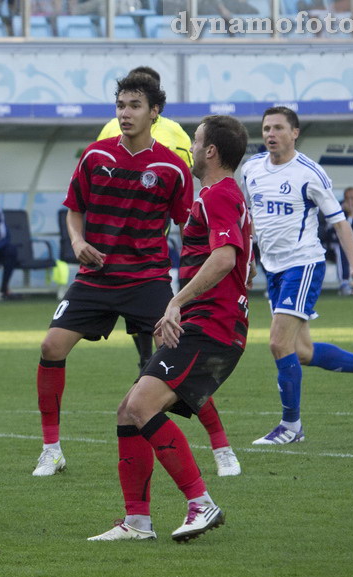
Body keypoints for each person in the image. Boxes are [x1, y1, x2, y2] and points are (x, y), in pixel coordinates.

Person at [33, 73, 242, 481]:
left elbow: (192, 227)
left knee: (173, 356)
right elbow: (74, 209)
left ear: (154, 113)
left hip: (147, 279)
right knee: (51, 346)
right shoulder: (95, 156)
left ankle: (222, 446)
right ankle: (51, 450)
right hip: (96, 277)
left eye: (134, 106)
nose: (125, 113)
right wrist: (77, 243)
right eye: (120, 106)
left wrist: (200, 281)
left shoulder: (172, 168)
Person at [89, 114, 252, 543]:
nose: (189, 149)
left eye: (195, 142)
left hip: (212, 326)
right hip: (209, 323)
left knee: (142, 406)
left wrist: (176, 302)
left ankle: (201, 502)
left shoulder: (219, 194)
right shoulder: (221, 195)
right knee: (129, 410)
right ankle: (138, 522)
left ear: (211, 151)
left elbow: (224, 258)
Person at [242, 107, 353, 447]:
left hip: (303, 264)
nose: (270, 134)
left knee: (277, 343)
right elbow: (252, 219)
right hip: (274, 269)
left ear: (294, 132)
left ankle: (291, 426)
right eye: (266, 128)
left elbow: (340, 223)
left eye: (278, 128)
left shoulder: (309, 172)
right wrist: (251, 257)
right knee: (302, 352)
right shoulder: (251, 169)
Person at [97, 66, 192, 373]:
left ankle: (157, 354)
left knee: (147, 285)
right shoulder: (112, 127)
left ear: (156, 103)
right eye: (126, 102)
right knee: (128, 288)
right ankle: (145, 354)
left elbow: (184, 174)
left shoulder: (175, 132)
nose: (129, 111)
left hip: (151, 223)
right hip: (113, 225)